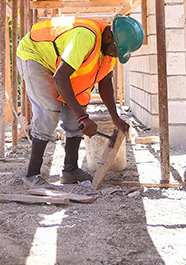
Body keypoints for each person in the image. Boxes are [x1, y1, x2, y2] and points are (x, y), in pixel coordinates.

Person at [15, 14, 145, 189]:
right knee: (50, 110)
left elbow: (105, 83)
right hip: (35, 55)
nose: (116, 55)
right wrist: (83, 118)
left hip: (60, 64)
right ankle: (32, 174)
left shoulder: (109, 48)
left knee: (76, 111)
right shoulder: (85, 37)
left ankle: (70, 171)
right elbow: (61, 77)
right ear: (109, 37)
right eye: (117, 50)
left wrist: (115, 117)